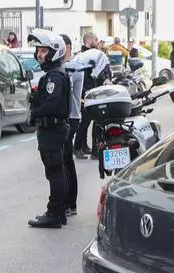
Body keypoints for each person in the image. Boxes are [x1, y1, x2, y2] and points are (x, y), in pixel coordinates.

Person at [25, 30, 71, 229]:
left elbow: (52, 105)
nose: (39, 55)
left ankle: (54, 213)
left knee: (54, 172)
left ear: (54, 52)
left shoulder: (54, 77)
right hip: (52, 130)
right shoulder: (53, 75)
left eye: (43, 51)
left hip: (52, 130)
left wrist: (35, 113)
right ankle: (59, 212)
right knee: (56, 171)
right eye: (38, 51)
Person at [73, 33, 110, 159]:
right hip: (86, 92)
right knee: (86, 121)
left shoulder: (91, 55)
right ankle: (78, 147)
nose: (98, 41)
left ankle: (86, 147)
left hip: (93, 91)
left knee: (90, 121)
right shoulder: (86, 56)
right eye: (95, 39)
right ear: (88, 41)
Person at [61, 34, 82, 217]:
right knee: (66, 159)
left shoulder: (74, 67)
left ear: (67, 47)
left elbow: (64, 88)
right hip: (67, 117)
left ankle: (70, 202)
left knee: (66, 160)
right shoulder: (64, 67)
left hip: (72, 117)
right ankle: (69, 202)